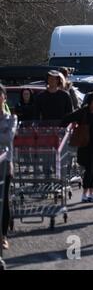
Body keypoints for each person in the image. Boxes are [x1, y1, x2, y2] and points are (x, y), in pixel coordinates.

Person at [62, 92, 93, 203]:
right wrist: (72, 126)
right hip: (85, 144)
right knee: (88, 169)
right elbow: (67, 118)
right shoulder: (83, 112)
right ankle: (85, 194)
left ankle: (92, 193)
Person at [0, 85, 18, 251]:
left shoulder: (11, 118)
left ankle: (3, 236)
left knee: (3, 200)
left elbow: (7, 137)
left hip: (5, 164)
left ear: (4, 98)